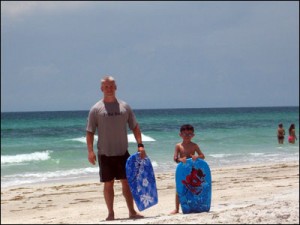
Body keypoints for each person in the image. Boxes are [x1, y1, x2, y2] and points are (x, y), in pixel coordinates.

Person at [86, 75, 146, 221]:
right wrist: (90, 151)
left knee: (126, 181)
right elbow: (90, 132)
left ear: (116, 87)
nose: (109, 88)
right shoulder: (96, 109)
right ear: (101, 89)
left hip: (122, 152)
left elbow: (135, 127)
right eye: (106, 86)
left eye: (111, 86)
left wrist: (140, 145)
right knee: (108, 184)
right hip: (105, 153)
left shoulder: (124, 107)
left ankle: (132, 212)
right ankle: (111, 213)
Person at [170, 124, 205, 214]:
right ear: (180, 135)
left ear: (193, 135)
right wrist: (180, 159)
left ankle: (193, 205)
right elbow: (175, 158)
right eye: (185, 134)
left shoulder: (194, 146)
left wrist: (197, 157)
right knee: (179, 189)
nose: (187, 136)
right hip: (182, 170)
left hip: (192, 170)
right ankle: (177, 209)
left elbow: (202, 156)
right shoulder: (178, 146)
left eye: (189, 134)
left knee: (193, 188)